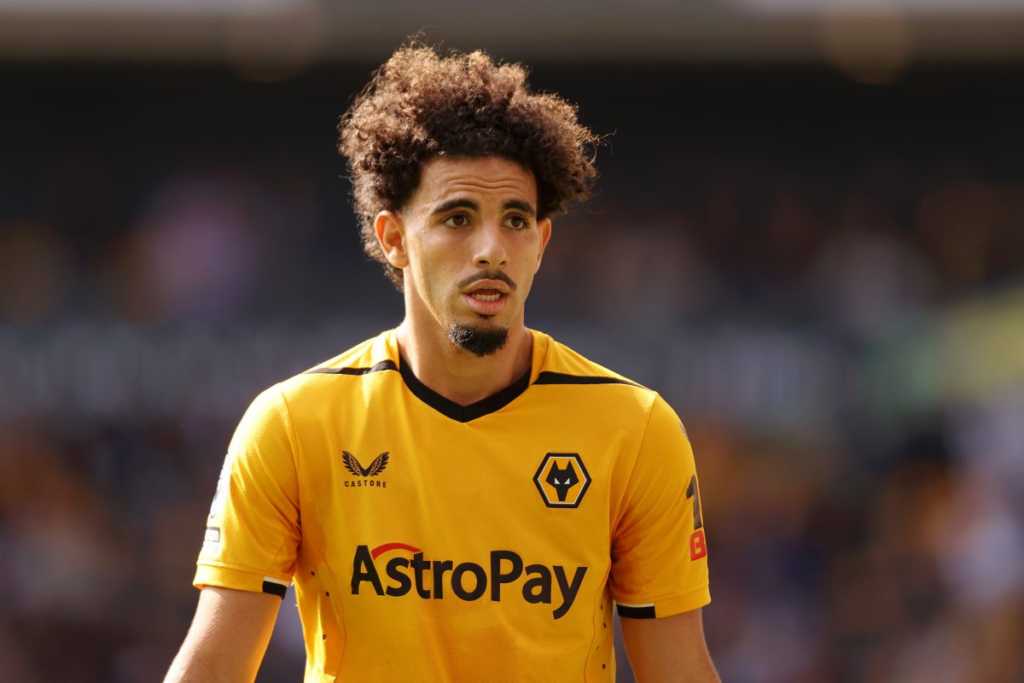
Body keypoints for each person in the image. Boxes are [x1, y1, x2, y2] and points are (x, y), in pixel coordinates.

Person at [164, 44, 718, 683]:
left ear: (541, 243)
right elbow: (212, 668)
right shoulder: (293, 424)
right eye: (458, 218)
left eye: (515, 220)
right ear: (394, 239)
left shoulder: (636, 429)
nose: (491, 250)